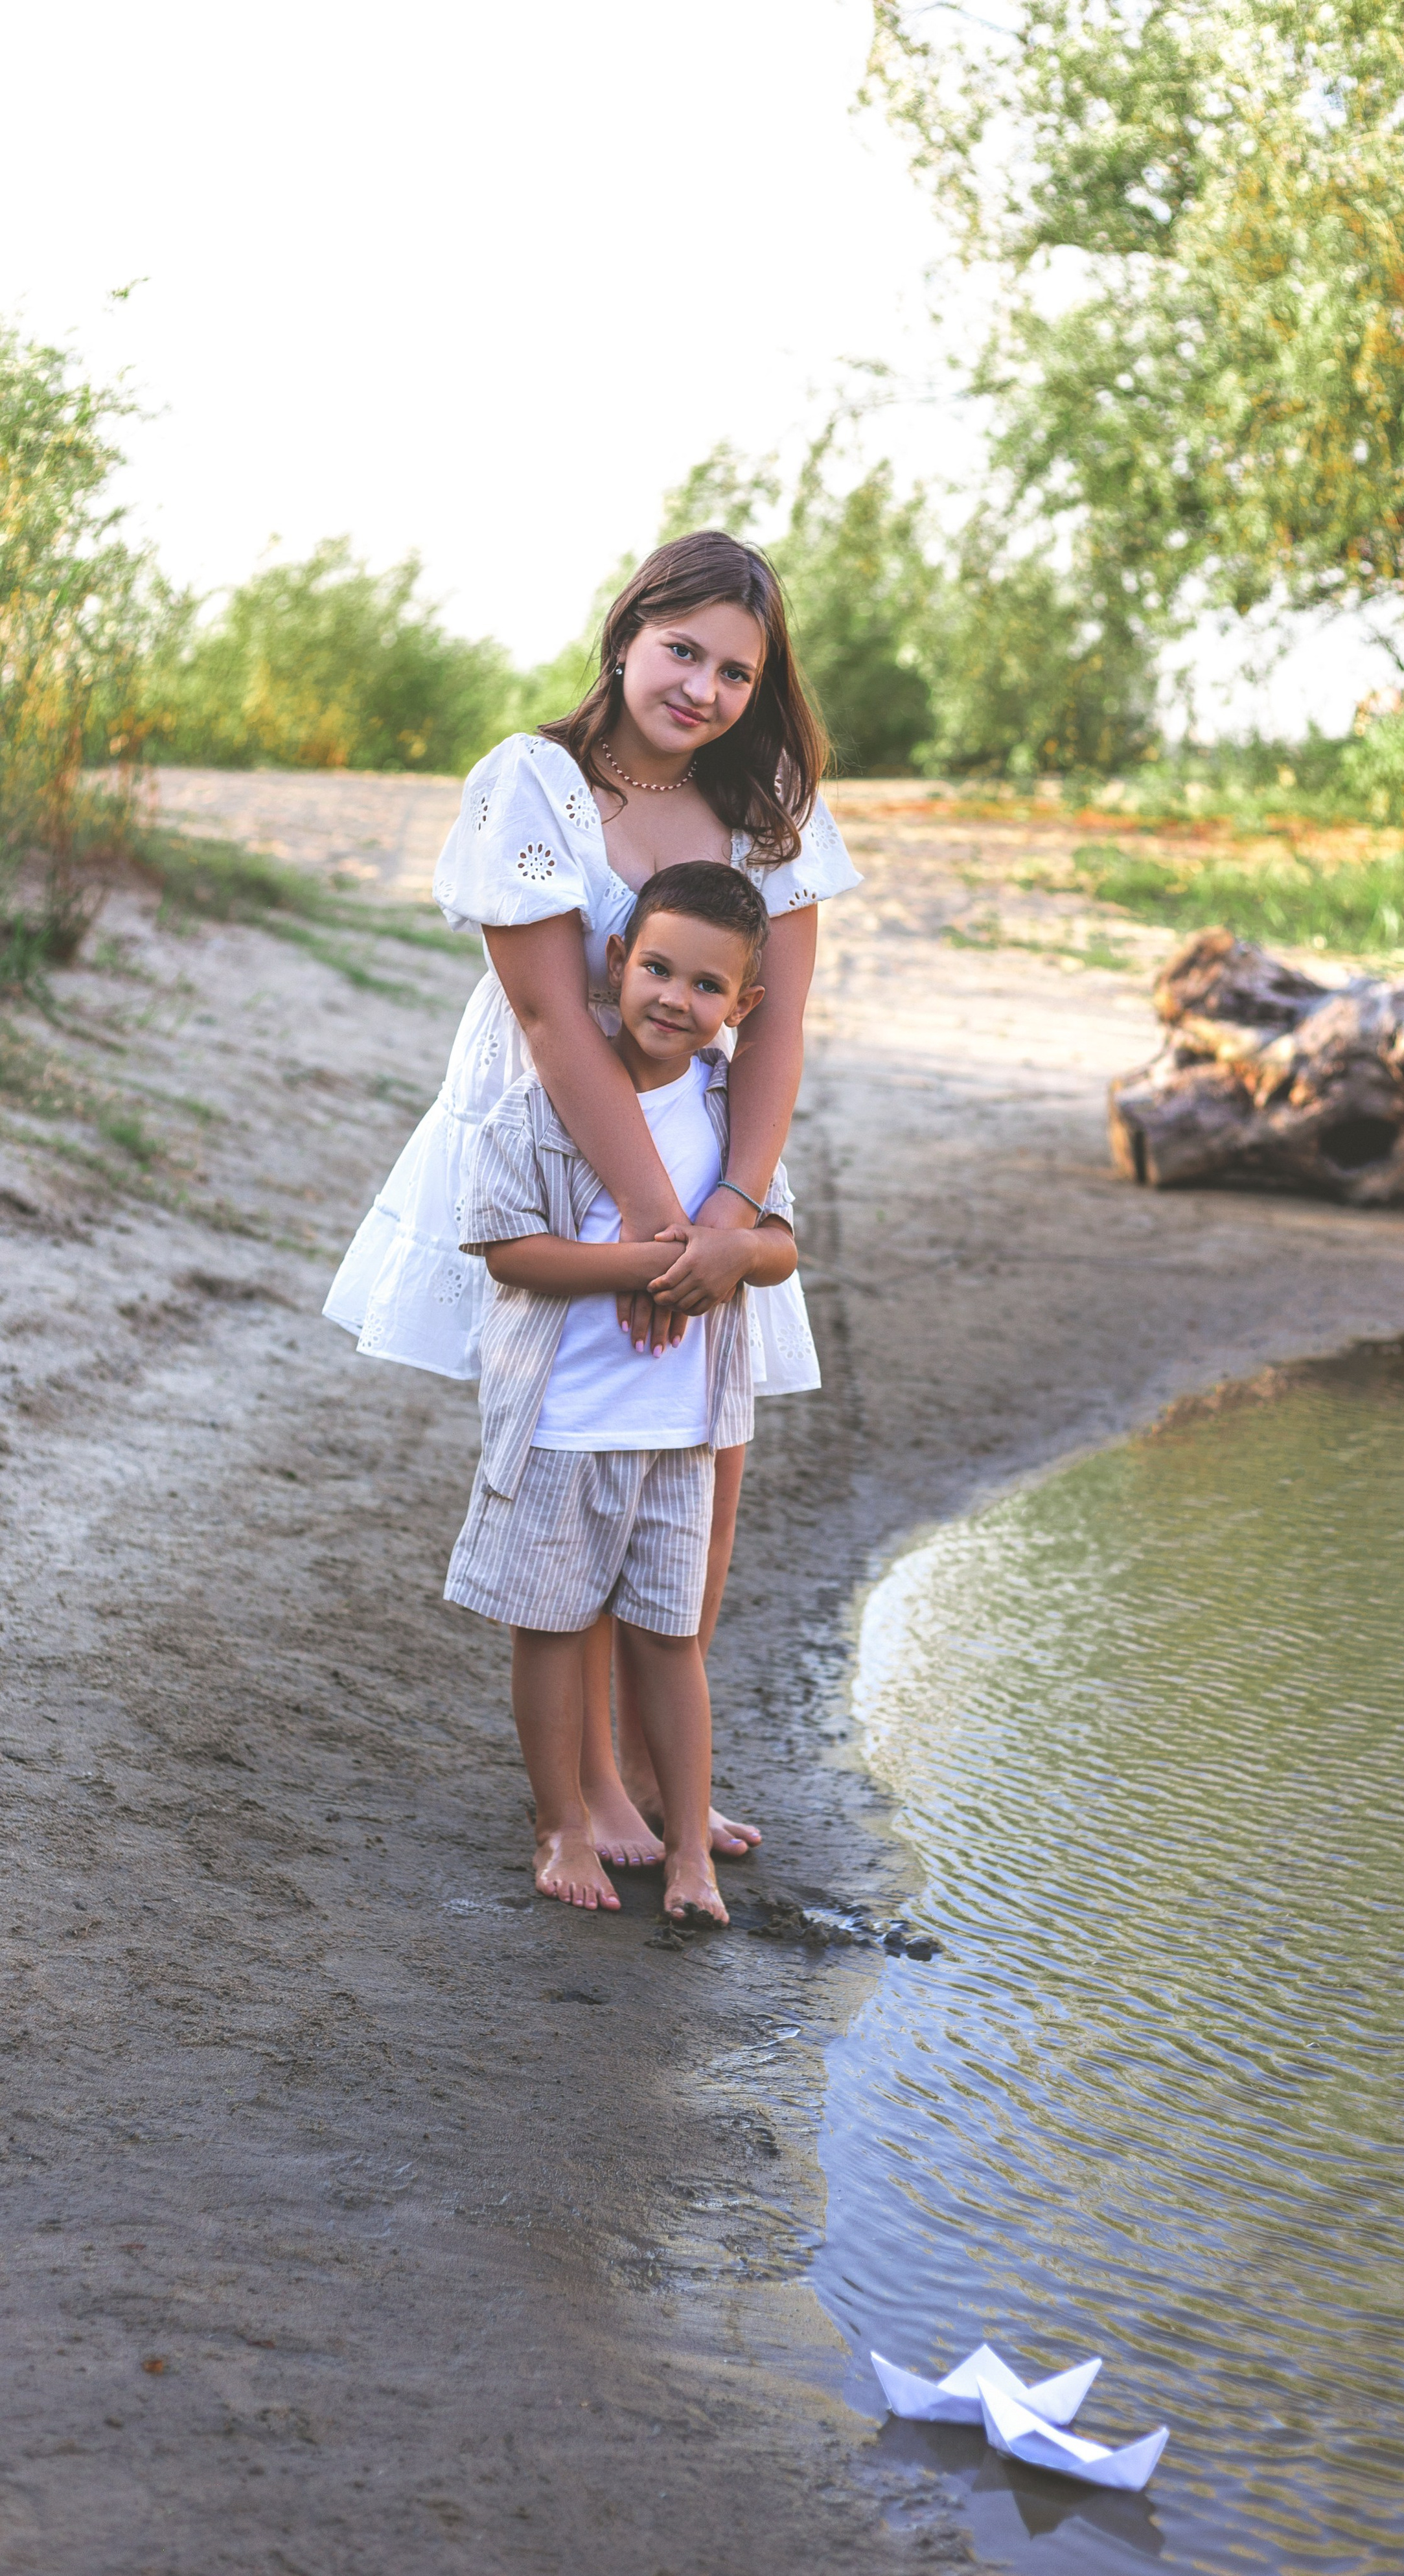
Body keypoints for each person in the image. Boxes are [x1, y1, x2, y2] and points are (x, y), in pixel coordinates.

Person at [323, 531, 860, 1859]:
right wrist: (650, 1231)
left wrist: (730, 1216)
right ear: (627, 634)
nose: (704, 687)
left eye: (738, 671)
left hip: (706, 1165)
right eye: (683, 650)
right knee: (579, 1457)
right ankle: (593, 1788)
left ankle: (666, 1782)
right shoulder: (536, 786)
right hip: (575, 1167)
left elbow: (780, 1025)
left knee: (693, 1470)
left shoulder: (766, 810)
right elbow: (551, 1016)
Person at [444, 865, 798, 1921]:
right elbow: (509, 1251)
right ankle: (561, 1825)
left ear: (743, 1006)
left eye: (704, 986)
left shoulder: (733, 1111)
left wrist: (728, 1256)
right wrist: (654, 1265)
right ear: (616, 961)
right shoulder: (544, 1102)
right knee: (550, 1628)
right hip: (560, 1423)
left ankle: (689, 1850)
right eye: (656, 968)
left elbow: (779, 1246)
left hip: (681, 1429)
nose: (672, 999)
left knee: (668, 1636)